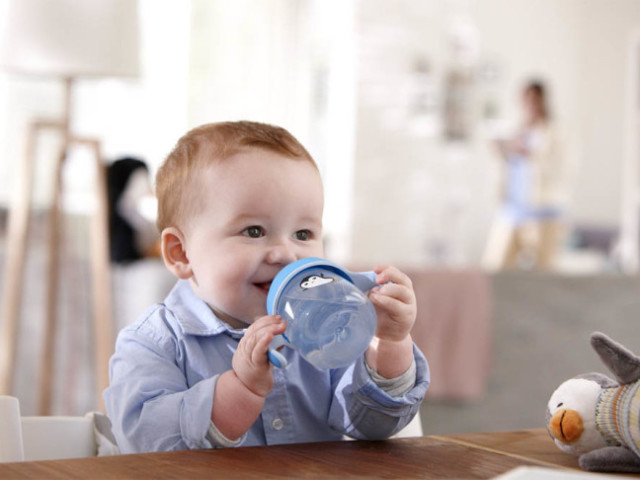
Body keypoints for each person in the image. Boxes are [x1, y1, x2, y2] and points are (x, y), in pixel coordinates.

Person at [104, 121, 429, 452]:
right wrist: (239, 390)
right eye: (254, 231)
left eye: (303, 234)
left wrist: (388, 342)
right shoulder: (153, 344)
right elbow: (145, 446)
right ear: (181, 252)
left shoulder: (328, 327)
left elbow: (373, 426)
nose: (286, 253)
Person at [483, 80, 568, 271]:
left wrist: (529, 155)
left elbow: (562, 170)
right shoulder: (517, 131)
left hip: (545, 214)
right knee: (494, 268)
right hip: (512, 211)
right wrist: (503, 152)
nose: (530, 104)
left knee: (545, 273)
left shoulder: (557, 132)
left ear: (543, 100)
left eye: (534, 99)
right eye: (525, 99)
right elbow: (507, 169)